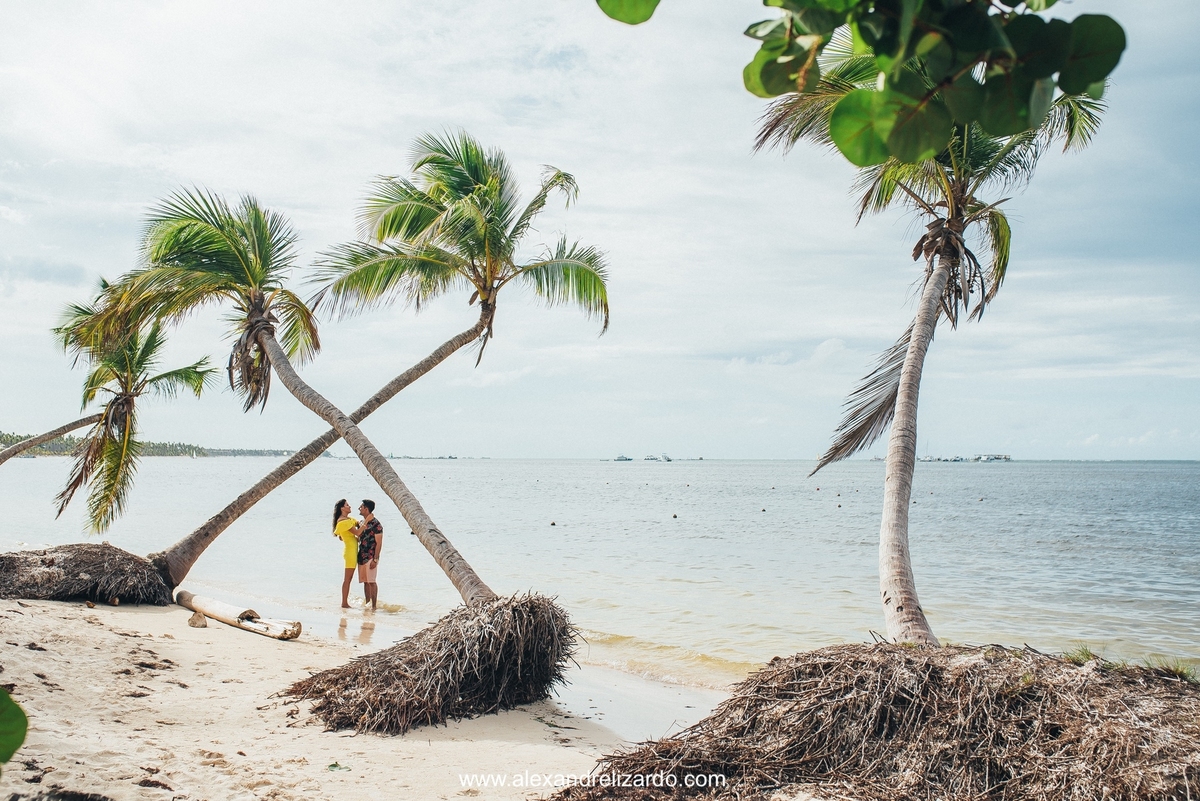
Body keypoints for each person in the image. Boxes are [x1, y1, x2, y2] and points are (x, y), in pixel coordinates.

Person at [332, 498, 361, 609]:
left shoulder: (347, 519)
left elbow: (355, 523)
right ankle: (344, 603)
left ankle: (345, 602)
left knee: (349, 579)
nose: (349, 506)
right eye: (347, 505)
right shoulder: (343, 521)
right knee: (347, 579)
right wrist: (367, 520)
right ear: (342, 508)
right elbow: (358, 532)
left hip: (352, 550)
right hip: (350, 552)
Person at [357, 499, 384, 611]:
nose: (359, 508)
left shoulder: (376, 524)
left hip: (370, 556)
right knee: (365, 582)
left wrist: (376, 559)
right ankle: (367, 604)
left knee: (372, 582)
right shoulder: (361, 523)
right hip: (361, 556)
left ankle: (374, 606)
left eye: (361, 507)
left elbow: (379, 543)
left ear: (366, 509)